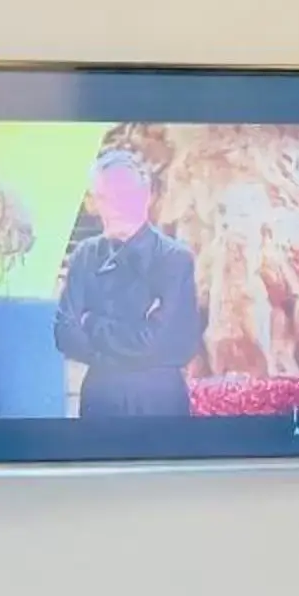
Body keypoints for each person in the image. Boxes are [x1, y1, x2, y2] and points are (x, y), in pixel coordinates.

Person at [54, 150, 204, 419]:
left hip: (159, 403)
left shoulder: (174, 259)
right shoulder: (84, 256)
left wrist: (91, 322)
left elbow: (156, 342)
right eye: (103, 197)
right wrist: (122, 347)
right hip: (100, 401)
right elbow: (65, 333)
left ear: (145, 197)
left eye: (121, 196)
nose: (111, 207)